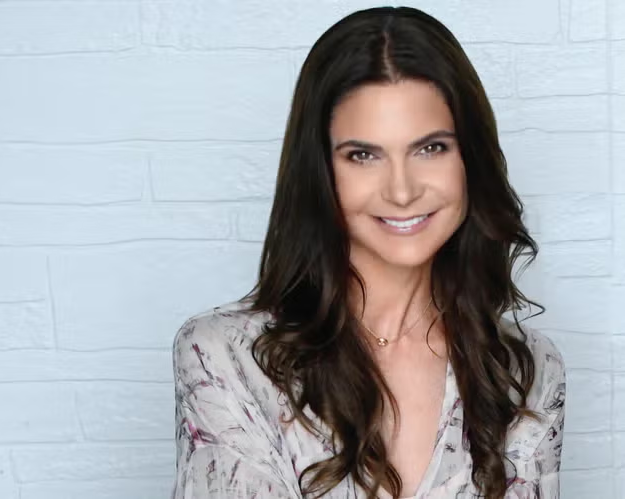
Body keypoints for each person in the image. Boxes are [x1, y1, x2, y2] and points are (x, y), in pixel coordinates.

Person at [170, 6, 566, 499]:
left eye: (431, 149)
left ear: (470, 159)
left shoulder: (522, 370)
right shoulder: (226, 357)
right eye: (363, 155)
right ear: (321, 172)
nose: (401, 191)